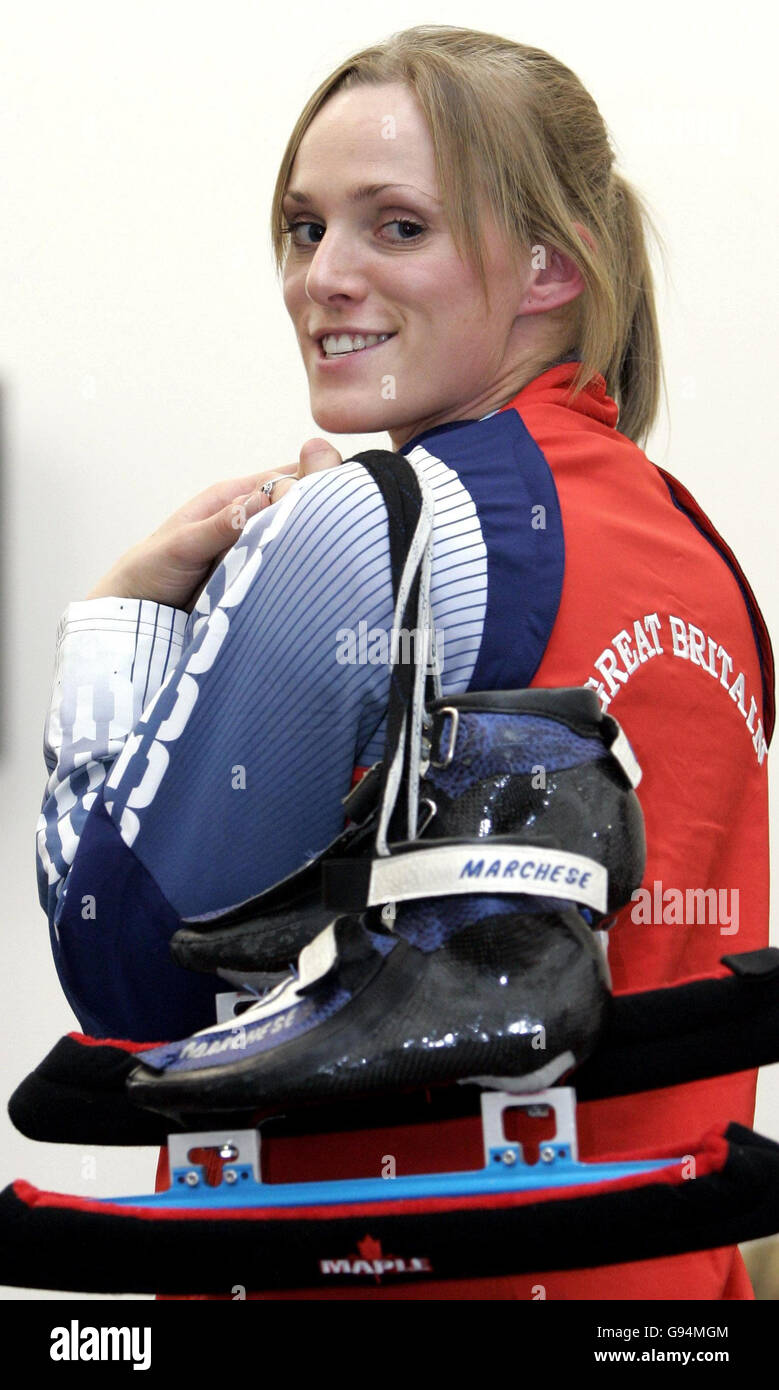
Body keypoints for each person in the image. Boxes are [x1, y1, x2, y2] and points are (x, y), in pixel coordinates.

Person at [36, 25, 773, 1300]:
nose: (323, 275)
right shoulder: (703, 557)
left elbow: (122, 973)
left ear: (551, 266)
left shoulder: (369, 527)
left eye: (396, 225)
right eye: (305, 226)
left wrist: (121, 615)